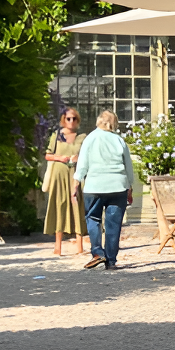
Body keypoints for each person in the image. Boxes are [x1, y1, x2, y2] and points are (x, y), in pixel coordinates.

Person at [73, 110, 136, 270]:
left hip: (94, 186)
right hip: (118, 186)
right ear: (114, 123)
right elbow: (128, 166)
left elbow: (82, 164)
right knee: (113, 224)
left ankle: (97, 253)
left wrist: (76, 183)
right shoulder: (119, 140)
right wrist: (129, 186)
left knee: (93, 218)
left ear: (98, 121)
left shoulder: (90, 138)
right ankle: (111, 260)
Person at [43, 107, 88, 256]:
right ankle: (57, 247)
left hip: (75, 174)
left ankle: (80, 246)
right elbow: (48, 155)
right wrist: (60, 158)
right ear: (63, 119)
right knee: (59, 205)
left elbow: (88, 156)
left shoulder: (82, 137)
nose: (71, 121)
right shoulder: (57, 135)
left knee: (77, 204)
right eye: (68, 118)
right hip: (59, 174)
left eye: (74, 118)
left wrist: (78, 159)